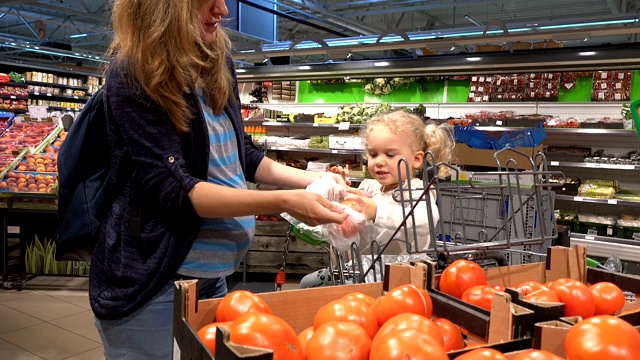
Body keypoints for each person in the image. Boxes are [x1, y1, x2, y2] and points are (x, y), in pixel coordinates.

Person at [91, 1, 348, 359]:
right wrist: (285, 201)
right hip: (154, 280)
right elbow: (178, 190)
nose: (223, 10)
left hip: (213, 278)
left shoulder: (213, 57)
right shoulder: (133, 73)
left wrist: (312, 181)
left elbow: (243, 154)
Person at [300, 110, 454, 286]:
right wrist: (340, 190)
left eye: (390, 155)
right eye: (373, 154)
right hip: (362, 268)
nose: (379, 161)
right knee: (307, 283)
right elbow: (351, 213)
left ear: (416, 159)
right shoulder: (369, 186)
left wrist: (375, 211)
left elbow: (424, 220)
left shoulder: (418, 192)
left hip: (401, 275)